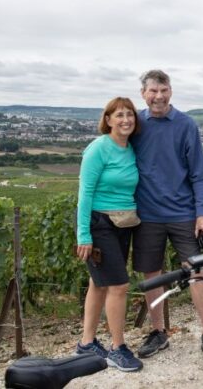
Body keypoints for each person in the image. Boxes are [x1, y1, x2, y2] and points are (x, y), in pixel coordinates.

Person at [131, 69, 203, 363]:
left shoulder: (186, 125)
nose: (158, 96)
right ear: (143, 94)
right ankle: (159, 332)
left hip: (184, 213)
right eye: (153, 91)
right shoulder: (134, 124)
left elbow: (199, 173)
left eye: (163, 90)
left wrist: (202, 212)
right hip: (146, 216)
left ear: (170, 91)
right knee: (151, 273)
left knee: (197, 271)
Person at [75, 97, 143, 372]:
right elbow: (84, 193)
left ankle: (86, 343)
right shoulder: (98, 148)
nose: (125, 119)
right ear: (108, 119)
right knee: (119, 285)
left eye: (130, 115)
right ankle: (117, 347)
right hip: (99, 223)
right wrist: (83, 235)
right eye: (119, 115)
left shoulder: (129, 149)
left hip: (124, 223)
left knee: (99, 283)